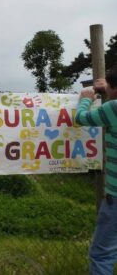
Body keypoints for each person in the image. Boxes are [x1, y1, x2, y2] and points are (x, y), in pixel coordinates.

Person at [75, 64, 117, 275]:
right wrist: (110, 90)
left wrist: (86, 99)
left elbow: (81, 118)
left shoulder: (113, 108)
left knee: (102, 255)